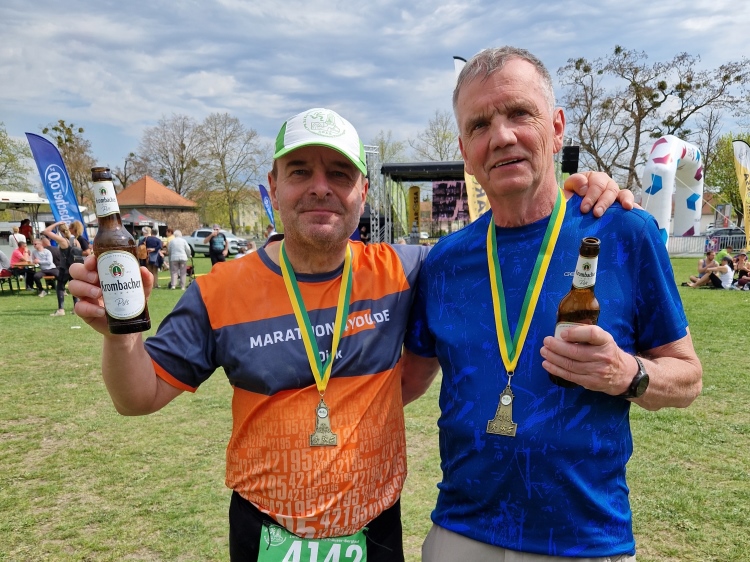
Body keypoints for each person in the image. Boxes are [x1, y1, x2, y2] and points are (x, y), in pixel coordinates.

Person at [69, 106, 629, 561]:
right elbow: (137, 397)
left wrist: (582, 193)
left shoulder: (407, 271)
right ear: (273, 186)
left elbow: (511, 233)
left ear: (362, 190)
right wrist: (119, 336)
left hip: (374, 527)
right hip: (264, 527)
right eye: (300, 172)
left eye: (339, 174)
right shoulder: (219, 291)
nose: (321, 188)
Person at [402, 47, 702, 562]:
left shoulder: (624, 233)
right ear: (466, 151)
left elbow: (688, 377)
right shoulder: (444, 262)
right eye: (479, 125)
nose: (501, 136)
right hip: (460, 533)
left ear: (557, 127)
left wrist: (627, 373)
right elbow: (405, 381)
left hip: (583, 541)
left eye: (520, 113)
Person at [43, 221, 72, 316]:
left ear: (60, 231)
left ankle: (61, 310)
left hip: (65, 268)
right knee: (73, 288)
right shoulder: (74, 240)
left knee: (60, 287)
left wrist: (57, 223)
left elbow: (46, 231)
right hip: (74, 267)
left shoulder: (63, 240)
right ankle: (76, 309)